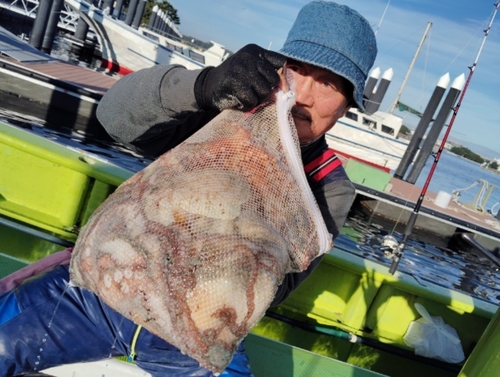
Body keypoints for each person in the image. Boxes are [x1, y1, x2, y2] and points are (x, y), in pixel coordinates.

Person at [0, 1, 377, 376]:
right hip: (98, 289)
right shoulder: (222, 112)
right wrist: (202, 86)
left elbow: (278, 287)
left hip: (191, 336)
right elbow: (113, 116)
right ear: (278, 67)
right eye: (296, 69)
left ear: (346, 107)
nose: (305, 94)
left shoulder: (329, 184)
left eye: (328, 83)